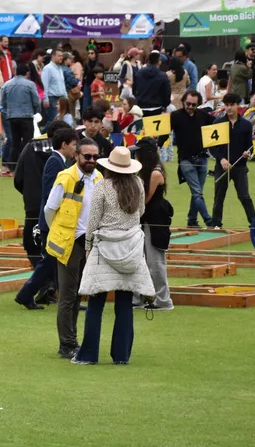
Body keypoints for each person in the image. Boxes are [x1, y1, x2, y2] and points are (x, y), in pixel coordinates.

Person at [74, 146, 154, 365]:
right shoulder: (138, 184)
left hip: (105, 247)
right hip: (130, 247)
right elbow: (140, 212)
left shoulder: (102, 186)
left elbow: (93, 220)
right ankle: (121, 356)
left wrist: (88, 246)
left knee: (95, 304)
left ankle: (88, 355)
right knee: (124, 304)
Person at [43, 136, 102, 359]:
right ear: (76, 155)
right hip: (70, 242)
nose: (91, 160)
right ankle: (67, 344)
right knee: (68, 295)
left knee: (78, 294)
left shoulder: (99, 178)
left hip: (89, 242)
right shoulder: (66, 177)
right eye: (87, 156)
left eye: (95, 156)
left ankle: (72, 340)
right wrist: (58, 232)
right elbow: (49, 209)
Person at [13, 126, 76, 310]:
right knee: (49, 259)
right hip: (51, 218)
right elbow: (50, 194)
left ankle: (54, 293)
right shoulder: (55, 161)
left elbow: (19, 179)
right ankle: (28, 294)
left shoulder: (52, 158)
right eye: (74, 144)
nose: (76, 148)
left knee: (50, 259)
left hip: (43, 213)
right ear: (63, 143)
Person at [134, 137, 173, 311]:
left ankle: (163, 300)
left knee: (155, 261)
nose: (135, 155)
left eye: (138, 152)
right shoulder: (145, 171)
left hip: (155, 220)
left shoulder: (155, 173)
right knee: (139, 259)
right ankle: (139, 297)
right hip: (145, 219)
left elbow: (145, 200)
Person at [210, 93, 255, 230]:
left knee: (244, 196)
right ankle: (216, 224)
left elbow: (249, 146)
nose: (229, 108)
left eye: (232, 105)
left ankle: (254, 224)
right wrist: (221, 159)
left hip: (240, 166)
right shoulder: (217, 123)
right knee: (219, 196)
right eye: (227, 105)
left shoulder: (246, 125)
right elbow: (212, 147)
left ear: (238, 105)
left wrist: (248, 153)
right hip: (222, 166)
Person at [170, 90, 215, 228]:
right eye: (188, 103)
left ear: (198, 104)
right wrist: (157, 146)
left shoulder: (203, 115)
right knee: (197, 192)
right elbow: (164, 132)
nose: (190, 107)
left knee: (197, 193)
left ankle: (192, 220)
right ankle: (209, 221)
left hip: (202, 158)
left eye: (193, 105)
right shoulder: (175, 116)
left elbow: (217, 125)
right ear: (183, 101)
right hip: (186, 160)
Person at [134, 51, 171, 116]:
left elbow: (134, 89)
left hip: (141, 107)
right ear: (159, 61)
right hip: (157, 108)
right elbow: (167, 93)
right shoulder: (163, 75)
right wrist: (164, 105)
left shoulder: (139, 73)